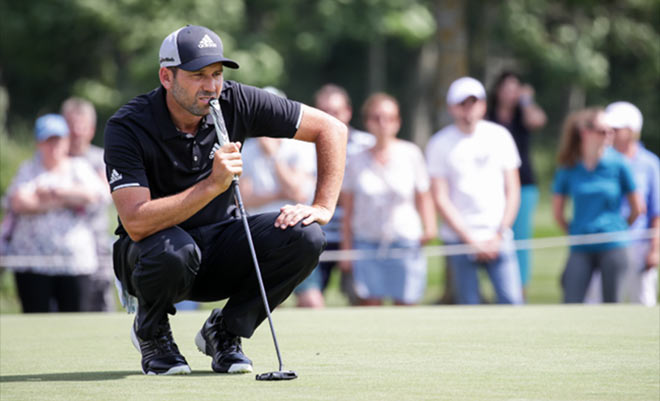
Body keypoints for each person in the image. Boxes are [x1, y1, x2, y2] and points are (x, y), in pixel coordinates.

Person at [103, 25, 346, 376]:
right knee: (174, 250)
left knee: (306, 235)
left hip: (219, 249)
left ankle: (225, 331)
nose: (211, 86)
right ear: (166, 77)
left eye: (216, 74)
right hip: (151, 257)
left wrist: (322, 207)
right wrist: (211, 186)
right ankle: (152, 332)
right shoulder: (128, 126)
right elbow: (136, 222)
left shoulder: (235, 101)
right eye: (198, 75)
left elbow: (331, 129)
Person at [426, 77, 523, 305]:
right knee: (468, 307)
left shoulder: (500, 137)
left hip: (498, 236)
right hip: (459, 240)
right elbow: (440, 197)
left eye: (474, 102)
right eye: (462, 104)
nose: (468, 109)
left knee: (512, 301)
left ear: (483, 105)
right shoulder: (439, 143)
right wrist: (469, 239)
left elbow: (513, 190)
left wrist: (499, 234)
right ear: (451, 107)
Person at [3, 114, 107, 312]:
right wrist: (67, 201)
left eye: (58, 140)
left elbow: (95, 195)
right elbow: (19, 201)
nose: (54, 146)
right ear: (39, 144)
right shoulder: (29, 169)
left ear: (67, 142)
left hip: (74, 263)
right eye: (48, 141)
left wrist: (53, 192)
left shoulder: (79, 167)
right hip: (32, 262)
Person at [340, 93, 436, 306]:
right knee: (370, 309)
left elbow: (424, 196)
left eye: (389, 118)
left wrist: (429, 229)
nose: (383, 124)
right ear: (367, 122)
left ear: (398, 122)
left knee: (407, 305)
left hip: (405, 240)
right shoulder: (355, 160)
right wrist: (347, 250)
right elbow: (348, 209)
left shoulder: (411, 154)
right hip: (366, 242)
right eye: (376, 118)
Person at [241, 87, 322, 307]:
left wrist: (273, 155)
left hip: (296, 231)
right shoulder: (246, 149)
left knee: (312, 301)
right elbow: (245, 200)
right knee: (262, 304)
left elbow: (298, 192)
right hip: (261, 234)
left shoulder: (300, 146)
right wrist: (278, 193)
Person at [552, 107, 641, 303]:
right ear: (585, 133)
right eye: (603, 131)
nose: (610, 135)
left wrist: (619, 228)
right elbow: (558, 213)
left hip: (614, 244)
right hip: (581, 245)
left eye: (611, 131)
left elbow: (637, 207)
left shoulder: (620, 164)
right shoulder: (569, 166)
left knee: (612, 304)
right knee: (571, 301)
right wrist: (576, 230)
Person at [585, 102, 659, 305]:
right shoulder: (597, 161)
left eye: (616, 129)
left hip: (639, 244)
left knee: (643, 302)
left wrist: (655, 250)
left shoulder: (650, 164)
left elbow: (655, 212)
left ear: (632, 131)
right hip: (604, 244)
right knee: (595, 304)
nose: (610, 133)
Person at [487, 72, 547, 297]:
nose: (510, 93)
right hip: (494, 187)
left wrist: (526, 100)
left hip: (523, 185)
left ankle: (519, 290)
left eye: (515, 89)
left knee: (520, 239)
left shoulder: (523, 114)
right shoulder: (488, 116)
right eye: (506, 88)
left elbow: (538, 120)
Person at [314, 84, 374, 304]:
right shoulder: (304, 146)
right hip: (320, 233)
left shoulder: (368, 144)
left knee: (361, 299)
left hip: (358, 234)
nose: (331, 117)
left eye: (336, 112)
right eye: (325, 111)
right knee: (312, 299)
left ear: (348, 111)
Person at [61, 97, 115, 312]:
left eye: (80, 127)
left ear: (91, 129)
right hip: (61, 255)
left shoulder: (99, 158)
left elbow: (102, 193)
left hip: (96, 250)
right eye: (70, 126)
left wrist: (60, 194)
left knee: (100, 308)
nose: (75, 132)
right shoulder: (52, 158)